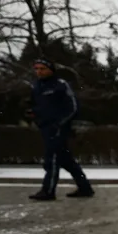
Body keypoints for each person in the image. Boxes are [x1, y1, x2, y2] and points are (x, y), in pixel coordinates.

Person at [29, 59, 92, 201]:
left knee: (52, 160)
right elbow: (35, 105)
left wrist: (59, 124)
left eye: (42, 68)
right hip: (45, 127)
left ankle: (48, 190)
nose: (39, 72)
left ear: (50, 69)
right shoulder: (37, 86)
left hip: (58, 128)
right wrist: (33, 114)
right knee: (66, 160)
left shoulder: (60, 85)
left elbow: (73, 107)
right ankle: (85, 187)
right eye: (37, 69)